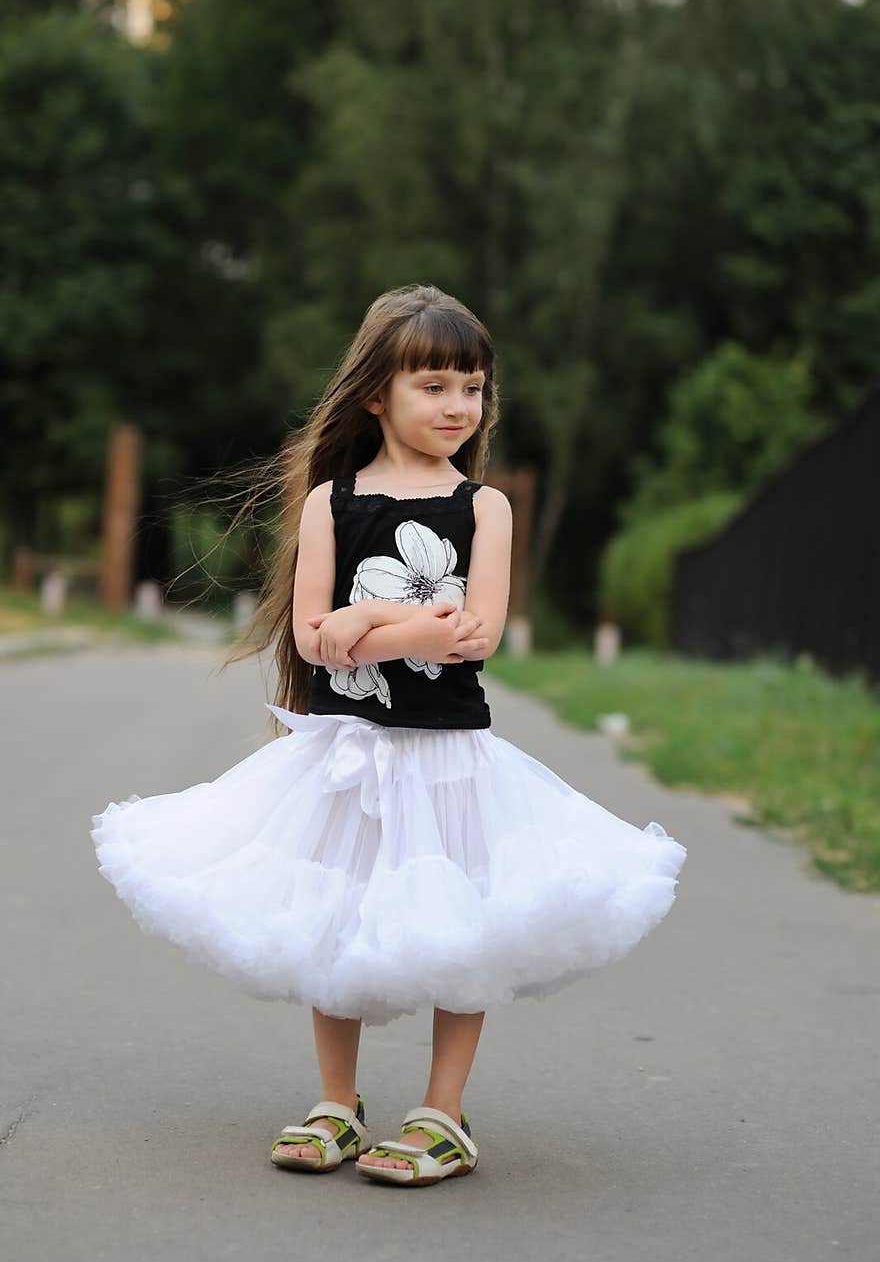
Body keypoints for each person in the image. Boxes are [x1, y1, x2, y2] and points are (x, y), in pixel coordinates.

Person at [90, 283, 687, 1188]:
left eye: (473, 388)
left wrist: (364, 622)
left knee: (462, 926)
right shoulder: (334, 502)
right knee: (338, 913)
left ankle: (443, 1113)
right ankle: (338, 1101)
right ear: (378, 394)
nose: (458, 407)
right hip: (348, 753)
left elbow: (473, 634)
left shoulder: (484, 509)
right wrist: (393, 617)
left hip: (448, 757)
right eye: (436, 386)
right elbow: (311, 638)